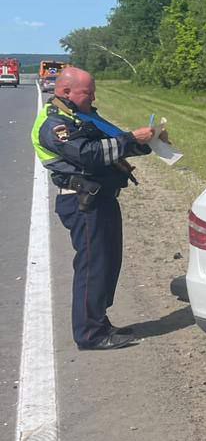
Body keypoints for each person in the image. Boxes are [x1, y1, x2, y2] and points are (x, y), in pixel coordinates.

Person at [30, 67, 155, 350]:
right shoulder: (55, 124)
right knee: (92, 266)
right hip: (82, 203)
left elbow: (112, 144)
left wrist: (148, 143)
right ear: (65, 92)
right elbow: (88, 154)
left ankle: (99, 321)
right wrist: (131, 138)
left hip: (102, 198)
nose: (93, 97)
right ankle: (90, 334)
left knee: (109, 262)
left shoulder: (81, 116)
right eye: (88, 93)